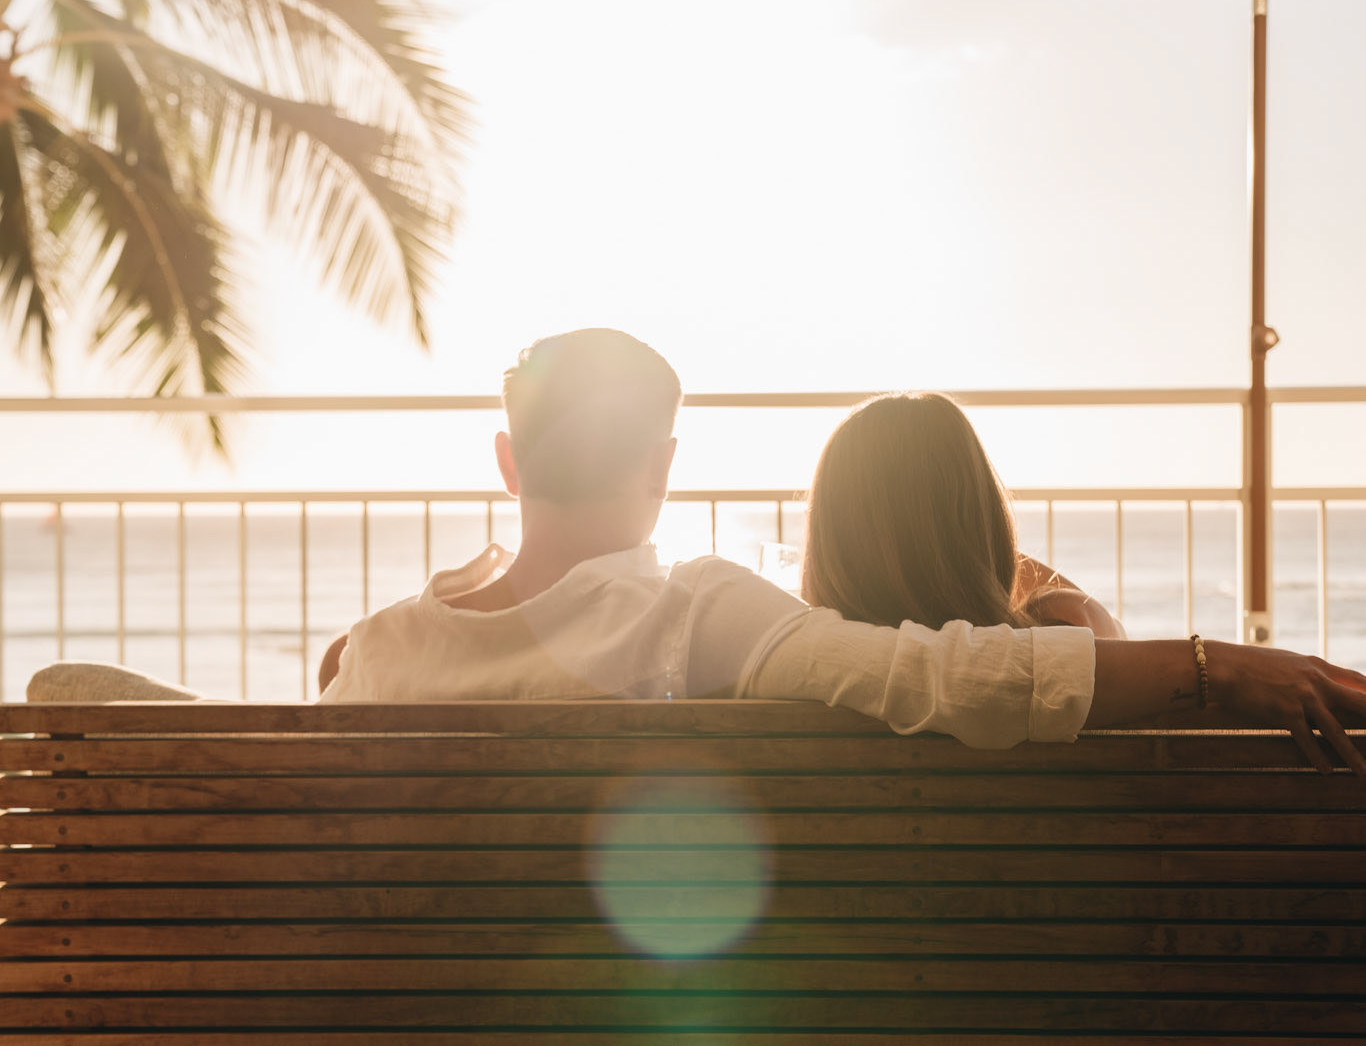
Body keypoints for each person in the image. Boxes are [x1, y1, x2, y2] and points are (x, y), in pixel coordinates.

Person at [314, 328, 1366, 772]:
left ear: (508, 461)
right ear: (662, 466)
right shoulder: (691, 614)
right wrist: (1214, 665)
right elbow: (949, 676)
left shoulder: (371, 655)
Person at [801, 390, 1126, 639]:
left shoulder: (807, 653)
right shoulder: (1056, 640)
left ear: (828, 540)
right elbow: (1113, 640)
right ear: (983, 513)